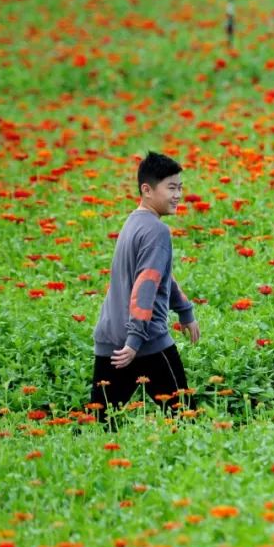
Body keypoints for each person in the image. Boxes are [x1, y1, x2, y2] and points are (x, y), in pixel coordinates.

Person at [89, 151, 200, 423]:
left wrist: (184, 311)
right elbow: (146, 285)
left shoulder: (133, 222)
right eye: (171, 188)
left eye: (180, 188)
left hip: (111, 341)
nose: (178, 195)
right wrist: (136, 339)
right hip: (146, 342)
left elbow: (160, 276)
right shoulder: (156, 231)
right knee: (187, 419)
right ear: (147, 190)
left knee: (98, 424)